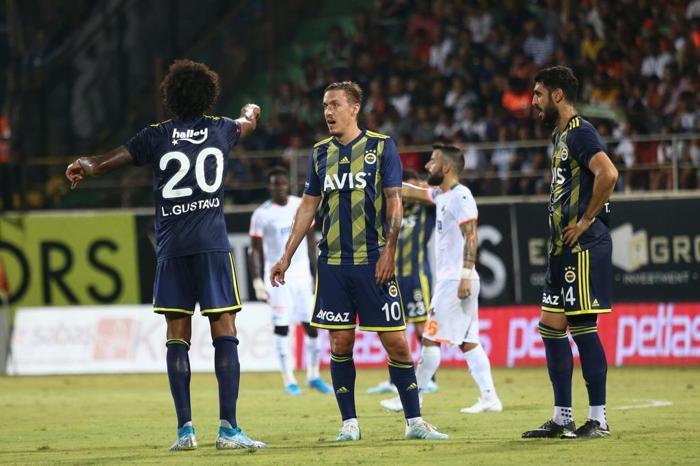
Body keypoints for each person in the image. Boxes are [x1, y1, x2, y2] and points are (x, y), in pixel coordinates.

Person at [65, 59, 266, 451]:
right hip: (211, 245)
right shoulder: (222, 129)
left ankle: (185, 431)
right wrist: (250, 110)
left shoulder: (155, 135)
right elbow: (248, 123)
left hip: (172, 248)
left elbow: (106, 162)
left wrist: (85, 165)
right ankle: (228, 429)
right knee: (225, 329)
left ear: (170, 97)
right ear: (209, 95)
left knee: (177, 335)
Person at [269, 81, 447, 441]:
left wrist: (389, 250)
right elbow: (308, 207)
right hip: (333, 266)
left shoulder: (381, 146)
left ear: (354, 108)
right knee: (340, 344)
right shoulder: (320, 153)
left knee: (397, 342)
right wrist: (286, 255)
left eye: (335, 104)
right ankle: (349, 423)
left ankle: (414, 422)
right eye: (324, 105)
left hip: (373, 262)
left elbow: (394, 200)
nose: (328, 112)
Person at [523, 65, 618, 439]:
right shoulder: (559, 135)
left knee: (582, 329)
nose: (533, 102)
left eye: (538, 94)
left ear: (557, 95)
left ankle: (599, 418)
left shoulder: (581, 132)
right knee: (550, 328)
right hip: (561, 250)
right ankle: (562, 417)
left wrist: (586, 220)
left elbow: (608, 174)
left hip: (582, 247)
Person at [384, 143, 502, 415]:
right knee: (468, 341)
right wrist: (383, 179)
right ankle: (489, 397)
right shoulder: (441, 194)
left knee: (430, 338)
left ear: (446, 167)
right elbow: (411, 192)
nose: (427, 166)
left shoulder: (461, 196)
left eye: (433, 161)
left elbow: (471, 235)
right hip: (454, 279)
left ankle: (412, 398)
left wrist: (464, 275)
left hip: (456, 280)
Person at [248, 166, 332, 396]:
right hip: (277, 278)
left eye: (282, 183)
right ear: (269, 187)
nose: (280, 187)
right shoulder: (261, 214)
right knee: (282, 327)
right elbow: (255, 250)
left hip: (302, 276)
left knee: (312, 325)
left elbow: (311, 243)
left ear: (288, 184)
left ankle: (313, 375)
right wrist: (257, 280)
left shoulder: (300, 205)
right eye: (275, 184)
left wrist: (316, 274)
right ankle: (289, 380)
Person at [367, 169, 438, 395]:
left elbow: (436, 192)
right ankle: (393, 380)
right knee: (394, 329)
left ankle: (430, 378)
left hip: (418, 276)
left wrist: (419, 187)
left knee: (422, 327)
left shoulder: (425, 210)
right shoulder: (391, 211)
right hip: (393, 277)